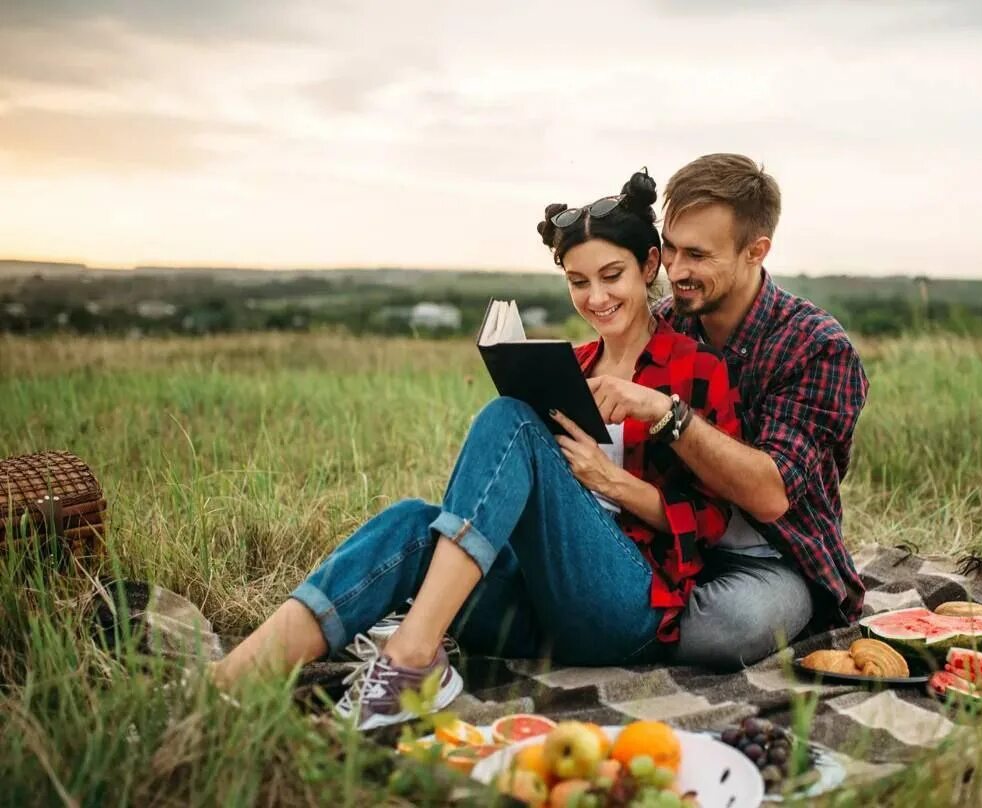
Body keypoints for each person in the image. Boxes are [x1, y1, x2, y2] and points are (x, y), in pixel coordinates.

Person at [210, 169, 743, 729]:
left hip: (622, 611)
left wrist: (613, 484)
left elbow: (713, 519)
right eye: (578, 282)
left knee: (507, 418)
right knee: (412, 523)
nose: (596, 297)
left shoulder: (692, 367)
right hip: (538, 610)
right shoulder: (572, 366)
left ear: (649, 266)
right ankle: (227, 683)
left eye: (612, 276)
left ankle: (412, 657)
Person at [584, 154, 869, 670]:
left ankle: (606, 627)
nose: (675, 270)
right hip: (667, 538)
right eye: (669, 248)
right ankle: (617, 622)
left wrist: (668, 414)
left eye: (697, 254)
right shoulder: (667, 322)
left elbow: (769, 495)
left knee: (733, 627)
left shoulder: (816, 347)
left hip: (769, 559)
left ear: (755, 251)